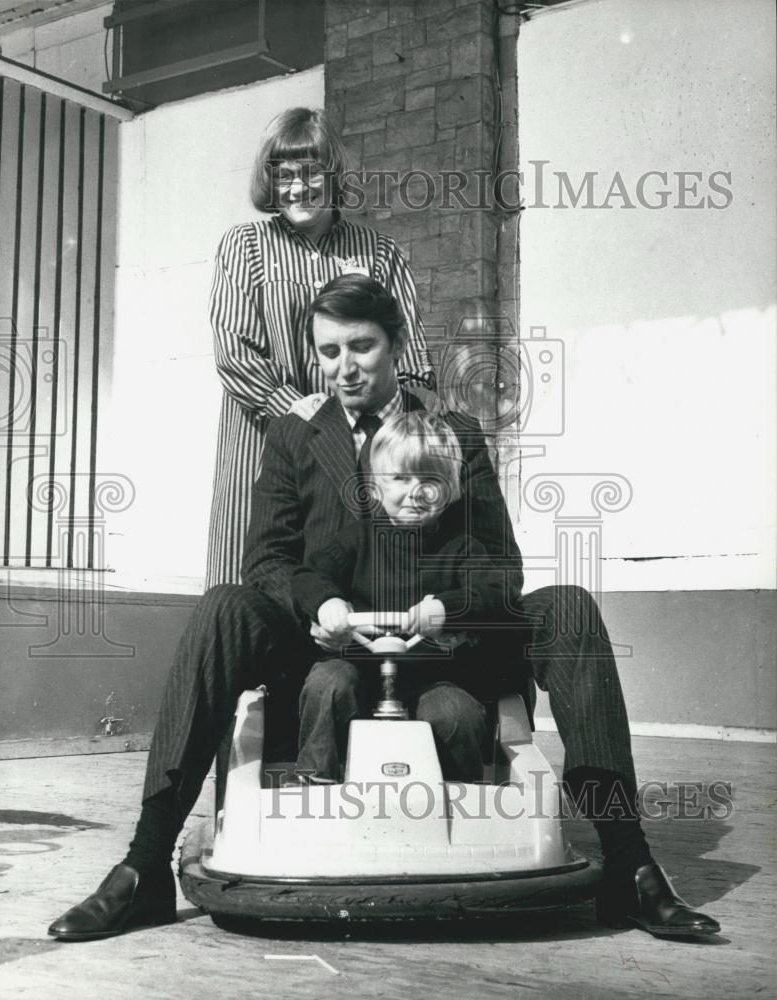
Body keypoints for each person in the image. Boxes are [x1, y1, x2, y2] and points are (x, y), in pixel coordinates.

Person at [48, 275, 720, 942]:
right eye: (329, 351)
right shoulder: (293, 436)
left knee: (567, 607)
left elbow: (497, 565)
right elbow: (269, 561)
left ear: (396, 345)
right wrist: (322, 604)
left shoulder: (454, 432)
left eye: (361, 347)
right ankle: (145, 862)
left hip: (444, 651)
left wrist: (448, 610)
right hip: (328, 653)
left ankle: (629, 863)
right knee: (225, 606)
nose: (344, 367)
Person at [205, 106, 433, 587]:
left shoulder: (380, 254)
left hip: (360, 450)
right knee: (259, 582)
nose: (297, 187)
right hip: (264, 441)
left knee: (350, 589)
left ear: (334, 176)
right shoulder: (244, 246)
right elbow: (235, 352)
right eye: (284, 174)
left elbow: (410, 359)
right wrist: (298, 411)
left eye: (311, 173)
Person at [293, 411, 508, 784]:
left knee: (455, 713)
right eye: (400, 478)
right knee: (327, 683)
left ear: (451, 488)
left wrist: (445, 609)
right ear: (376, 488)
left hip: (433, 677)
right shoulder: (358, 538)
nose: (415, 491)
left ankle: (459, 796)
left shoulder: (461, 547)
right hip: (357, 669)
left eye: (430, 479)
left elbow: (492, 591)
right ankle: (316, 779)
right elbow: (308, 577)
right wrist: (328, 604)